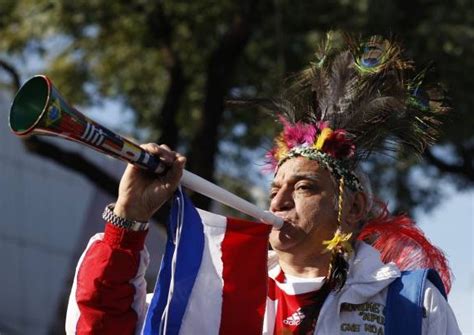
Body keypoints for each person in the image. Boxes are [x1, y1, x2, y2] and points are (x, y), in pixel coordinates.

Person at [65, 34, 461, 334]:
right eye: (274, 191)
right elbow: (103, 326)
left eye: (304, 187)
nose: (280, 203)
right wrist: (127, 220)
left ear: (354, 208)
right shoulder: (214, 289)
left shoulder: (412, 303)